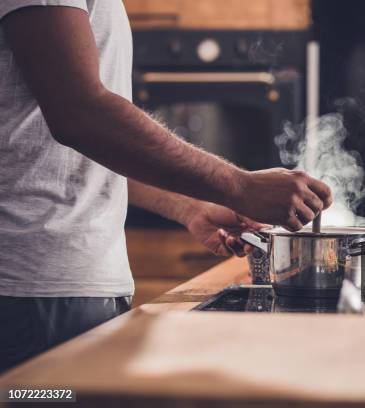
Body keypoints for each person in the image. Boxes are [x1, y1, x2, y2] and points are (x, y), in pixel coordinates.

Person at [0, 0, 332, 372]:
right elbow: (79, 114)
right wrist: (240, 186)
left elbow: (91, 149)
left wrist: (189, 206)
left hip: (75, 284)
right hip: (34, 289)